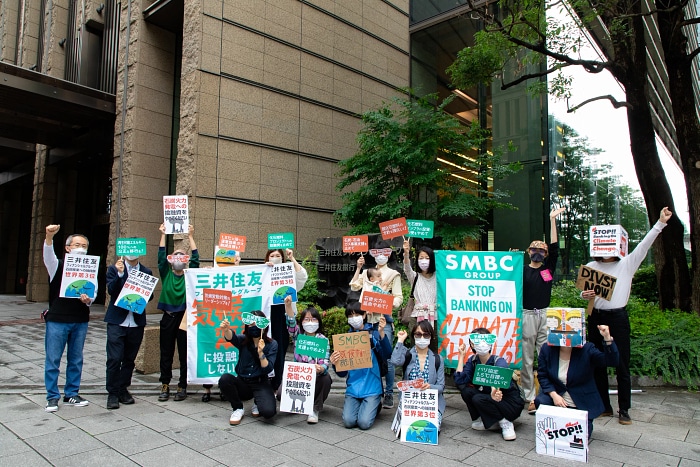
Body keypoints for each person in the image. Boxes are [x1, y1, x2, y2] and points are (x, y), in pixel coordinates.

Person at [582, 206, 673, 425]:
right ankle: (604, 406)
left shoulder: (627, 264)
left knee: (622, 363)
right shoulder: (590, 266)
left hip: (617, 318)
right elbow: (584, 293)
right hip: (595, 315)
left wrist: (660, 223)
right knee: (596, 362)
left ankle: (624, 409)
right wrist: (585, 294)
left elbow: (644, 247)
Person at [42, 225, 93, 412]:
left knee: (76, 359)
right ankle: (52, 396)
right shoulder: (58, 265)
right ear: (68, 248)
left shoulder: (89, 268)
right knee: (53, 359)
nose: (81, 248)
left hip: (80, 319)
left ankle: (72, 393)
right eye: (77, 244)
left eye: (84, 245)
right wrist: (49, 237)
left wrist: (88, 300)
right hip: (58, 320)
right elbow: (48, 256)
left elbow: (92, 294)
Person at [535, 325, 619, 435]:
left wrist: (607, 338)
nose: (565, 335)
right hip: (558, 397)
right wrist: (554, 395)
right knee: (541, 401)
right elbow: (542, 375)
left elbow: (611, 361)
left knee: (580, 435)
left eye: (570, 331)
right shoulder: (547, 349)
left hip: (581, 401)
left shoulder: (587, 349)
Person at [349, 240, 402, 409]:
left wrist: (385, 301)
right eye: (377, 252)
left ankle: (389, 393)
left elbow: (399, 298)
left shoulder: (393, 274)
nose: (380, 255)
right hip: (365, 321)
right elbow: (353, 286)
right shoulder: (366, 273)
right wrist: (358, 268)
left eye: (384, 252)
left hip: (382, 320)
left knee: (387, 358)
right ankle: (371, 390)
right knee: (365, 356)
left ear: (388, 254)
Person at [330, 302, 391, 430]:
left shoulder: (373, 334)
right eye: (350, 316)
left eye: (357, 314)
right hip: (353, 387)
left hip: (372, 386)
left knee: (364, 423)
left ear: (364, 315)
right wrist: (335, 363)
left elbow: (387, 354)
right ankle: (365, 406)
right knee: (348, 421)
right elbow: (342, 373)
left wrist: (381, 333)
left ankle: (375, 404)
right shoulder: (345, 340)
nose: (354, 318)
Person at [454, 328, 523, 441]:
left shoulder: (498, 361)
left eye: (485, 340)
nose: (481, 344)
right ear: (471, 343)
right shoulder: (473, 360)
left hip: (508, 403)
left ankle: (506, 423)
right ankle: (488, 420)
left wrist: (494, 389)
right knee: (466, 391)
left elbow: (502, 374)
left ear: (491, 343)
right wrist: (461, 356)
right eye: (477, 341)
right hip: (489, 399)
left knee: (478, 398)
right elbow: (459, 380)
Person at [104, 253, 154, 409]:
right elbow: (111, 291)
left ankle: (122, 389)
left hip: (136, 322)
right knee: (114, 358)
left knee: (129, 359)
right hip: (117, 321)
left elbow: (150, 296)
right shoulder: (114, 269)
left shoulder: (146, 271)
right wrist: (120, 274)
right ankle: (112, 392)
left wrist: (143, 291)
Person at [157, 223, 199, 402]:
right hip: (167, 317)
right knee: (166, 353)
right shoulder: (166, 274)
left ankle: (182, 385)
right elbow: (159, 257)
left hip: (184, 318)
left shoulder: (190, 275)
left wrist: (190, 235)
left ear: (186, 260)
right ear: (170, 259)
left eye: (183, 256)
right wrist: (163, 234)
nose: (179, 258)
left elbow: (197, 259)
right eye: (176, 255)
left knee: (184, 353)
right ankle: (165, 385)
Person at [218, 311, 278, 425]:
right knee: (225, 379)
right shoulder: (243, 340)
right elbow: (232, 337)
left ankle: (258, 401)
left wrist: (261, 354)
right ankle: (237, 408)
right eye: (251, 324)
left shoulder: (272, 344)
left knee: (269, 412)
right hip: (243, 382)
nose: (254, 327)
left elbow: (268, 369)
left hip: (261, 382)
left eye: (257, 324)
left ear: (264, 326)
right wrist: (226, 330)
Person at [282, 296, 332, 423]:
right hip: (298, 377)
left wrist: (321, 368)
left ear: (318, 321)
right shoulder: (298, 336)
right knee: (280, 394)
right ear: (302, 322)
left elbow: (325, 362)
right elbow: (291, 325)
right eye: (307, 319)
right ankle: (296, 403)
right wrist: (288, 306)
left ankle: (314, 409)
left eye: (313, 319)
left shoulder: (323, 340)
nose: (310, 322)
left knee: (326, 379)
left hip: (315, 377)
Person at [264, 248, 308, 391]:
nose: (275, 258)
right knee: (265, 347)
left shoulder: (287, 272)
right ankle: (265, 381)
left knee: (280, 348)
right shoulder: (263, 271)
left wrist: (292, 259)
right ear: (267, 257)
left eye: (278, 256)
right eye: (272, 255)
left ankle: (277, 383)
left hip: (283, 315)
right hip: (266, 316)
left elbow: (302, 277)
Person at [390, 321, 445, 435]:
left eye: (426, 335)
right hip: (410, 402)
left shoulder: (437, 359)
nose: (422, 338)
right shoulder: (407, 354)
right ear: (413, 336)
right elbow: (395, 361)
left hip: (430, 403)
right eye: (418, 334)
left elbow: (441, 387)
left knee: (429, 432)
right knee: (407, 431)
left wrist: (430, 386)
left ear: (431, 337)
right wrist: (400, 340)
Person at [402, 240, 437, 352]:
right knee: (415, 346)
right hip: (417, 316)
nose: (424, 261)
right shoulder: (415, 277)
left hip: (434, 316)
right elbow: (407, 268)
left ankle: (433, 368)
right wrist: (406, 253)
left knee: (433, 346)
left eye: (427, 258)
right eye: (421, 258)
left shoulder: (439, 277)